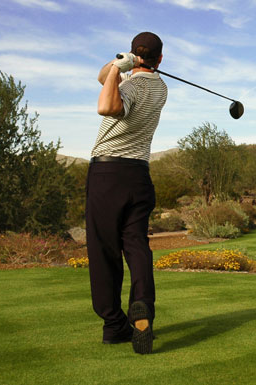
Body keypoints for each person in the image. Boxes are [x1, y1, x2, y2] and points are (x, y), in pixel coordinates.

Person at [86, 31, 167, 355]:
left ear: (135, 55)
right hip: (139, 176)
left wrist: (122, 69)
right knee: (136, 245)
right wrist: (120, 66)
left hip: (108, 174)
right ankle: (143, 306)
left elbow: (106, 106)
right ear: (160, 59)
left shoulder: (131, 86)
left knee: (104, 250)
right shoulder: (160, 87)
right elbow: (102, 75)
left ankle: (114, 325)